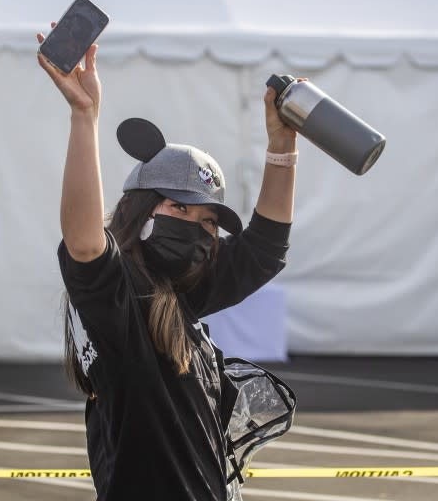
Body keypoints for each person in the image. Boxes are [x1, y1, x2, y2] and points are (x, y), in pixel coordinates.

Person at [36, 27, 297, 500]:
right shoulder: (124, 297)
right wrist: (84, 116)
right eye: (179, 208)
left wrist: (283, 145)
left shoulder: (177, 292)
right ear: (140, 209)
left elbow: (264, 249)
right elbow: (85, 244)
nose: (197, 228)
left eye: (207, 221)